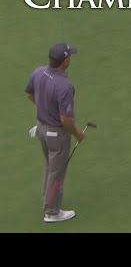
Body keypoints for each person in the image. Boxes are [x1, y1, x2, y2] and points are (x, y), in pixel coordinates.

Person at [25, 43, 86, 223]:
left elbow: (29, 93)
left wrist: (44, 108)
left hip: (42, 129)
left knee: (50, 167)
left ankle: (48, 197)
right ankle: (52, 211)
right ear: (65, 61)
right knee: (57, 172)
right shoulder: (65, 86)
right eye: (70, 57)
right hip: (56, 135)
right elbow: (66, 120)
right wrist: (78, 134)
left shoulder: (38, 72)